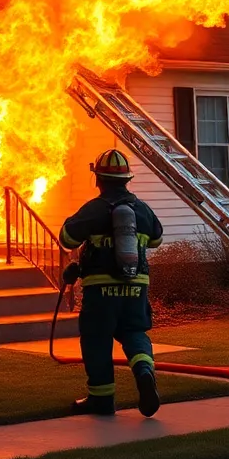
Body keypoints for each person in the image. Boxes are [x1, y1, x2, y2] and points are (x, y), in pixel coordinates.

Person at [59, 148, 164, 417]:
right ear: (127, 179)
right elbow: (156, 239)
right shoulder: (141, 209)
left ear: (99, 179)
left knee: (97, 339)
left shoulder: (95, 209)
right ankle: (143, 370)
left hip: (100, 290)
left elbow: (67, 238)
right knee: (134, 332)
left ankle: (102, 400)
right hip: (136, 286)